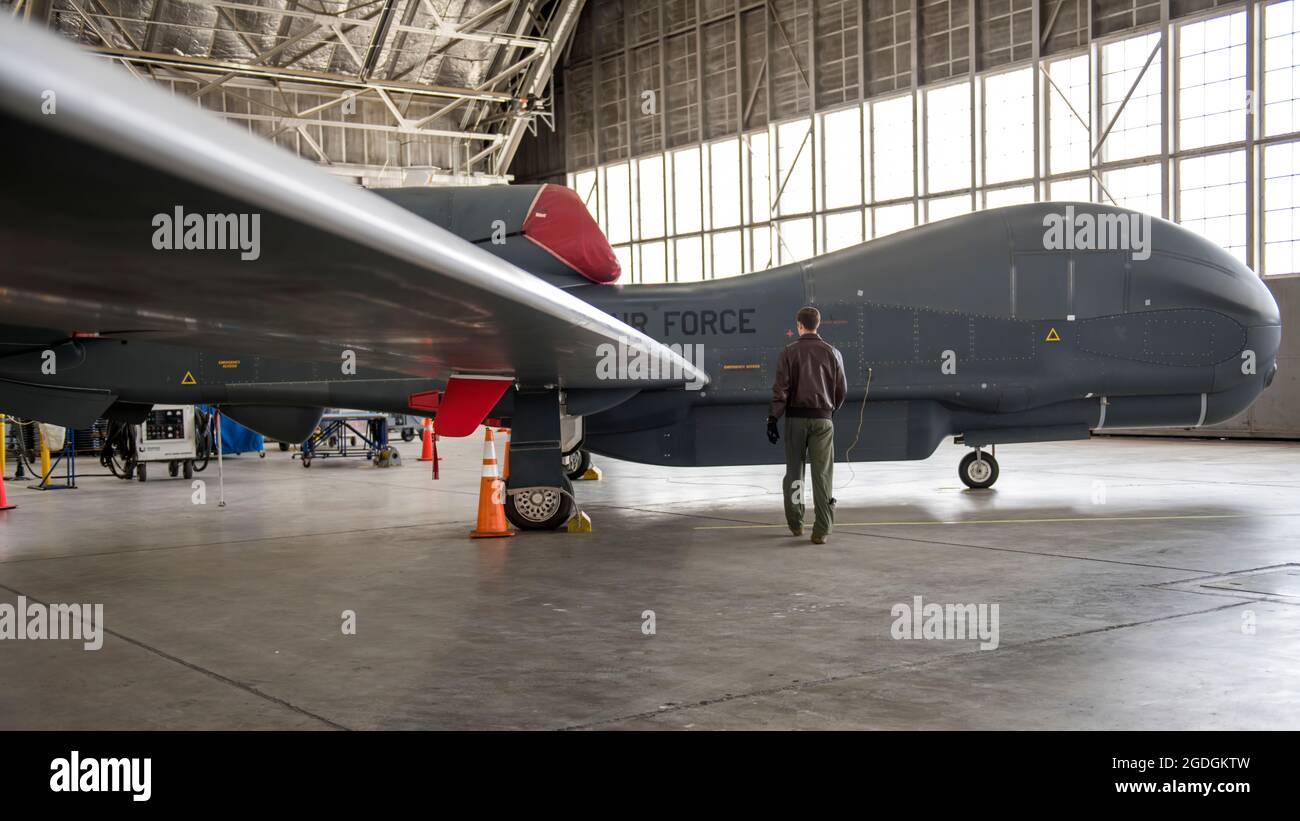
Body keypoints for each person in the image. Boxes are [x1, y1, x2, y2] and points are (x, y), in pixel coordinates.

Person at [767, 306, 847, 544]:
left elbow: (780, 390)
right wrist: (828, 410)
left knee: (795, 472)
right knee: (822, 475)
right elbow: (841, 390)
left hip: (795, 420)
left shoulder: (788, 352)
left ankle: (795, 524)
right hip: (823, 420)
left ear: (799, 325)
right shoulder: (833, 353)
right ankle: (821, 530)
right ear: (818, 324)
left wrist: (773, 418)